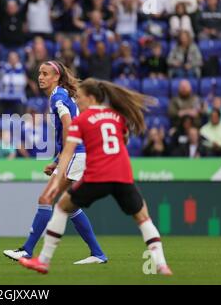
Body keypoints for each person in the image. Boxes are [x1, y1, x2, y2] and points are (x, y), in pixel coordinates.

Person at [19, 78, 172, 276]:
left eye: (80, 98)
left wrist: (58, 177)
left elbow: (68, 152)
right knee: (143, 217)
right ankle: (161, 265)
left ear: (91, 98)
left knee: (61, 207)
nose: (78, 101)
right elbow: (123, 140)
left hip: (97, 175)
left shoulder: (81, 120)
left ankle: (43, 261)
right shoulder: (116, 116)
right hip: (122, 175)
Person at [3, 61, 107, 265]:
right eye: (39, 73)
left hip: (76, 154)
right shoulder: (60, 94)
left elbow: (69, 126)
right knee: (69, 205)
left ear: (56, 77)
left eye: (45, 74)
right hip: (78, 154)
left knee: (46, 199)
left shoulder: (58, 96)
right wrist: (58, 160)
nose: (40, 77)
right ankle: (97, 253)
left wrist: (63, 158)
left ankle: (27, 250)